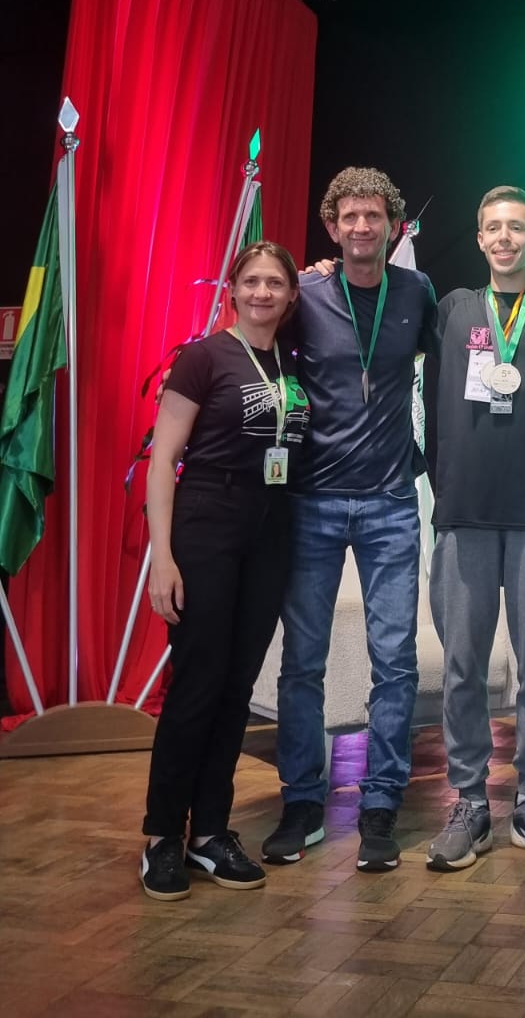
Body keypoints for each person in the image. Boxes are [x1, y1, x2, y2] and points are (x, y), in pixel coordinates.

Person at [262, 168, 437, 874]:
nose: (362, 227)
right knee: (302, 661)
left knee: (395, 663)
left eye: (374, 216)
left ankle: (380, 803)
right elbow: (252, 352)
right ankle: (303, 801)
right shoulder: (304, 293)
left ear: (393, 226)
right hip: (312, 500)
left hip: (391, 501)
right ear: (331, 227)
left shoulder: (417, 292)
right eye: (350, 217)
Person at [140, 242, 309, 901]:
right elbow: (163, 460)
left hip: (270, 531)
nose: (263, 292)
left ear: (290, 295)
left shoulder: (290, 361)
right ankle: (162, 835)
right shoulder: (204, 357)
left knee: (237, 688)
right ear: (232, 289)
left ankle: (209, 831)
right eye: (252, 281)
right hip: (207, 523)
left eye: (276, 283)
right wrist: (162, 556)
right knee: (198, 685)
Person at [424, 187, 525, 870]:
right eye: (494, 227)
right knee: (463, 667)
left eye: (518, 226)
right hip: (464, 514)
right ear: (480, 238)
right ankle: (468, 801)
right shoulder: (452, 308)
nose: (506, 237)